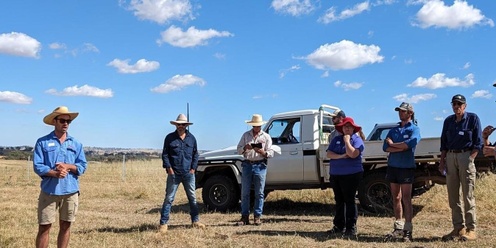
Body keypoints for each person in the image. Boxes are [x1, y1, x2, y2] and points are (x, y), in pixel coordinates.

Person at [33, 106, 87, 248]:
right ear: (54, 121)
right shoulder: (42, 142)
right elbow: (38, 166)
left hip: (70, 192)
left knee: (66, 226)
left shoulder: (76, 143)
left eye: (68, 121)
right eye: (62, 120)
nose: (66, 124)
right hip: (49, 192)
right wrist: (54, 173)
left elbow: (82, 166)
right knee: (44, 227)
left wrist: (68, 166)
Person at [439, 94, 482, 241]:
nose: (457, 106)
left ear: (465, 106)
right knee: (453, 196)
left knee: (467, 195)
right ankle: (458, 227)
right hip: (451, 157)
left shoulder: (472, 118)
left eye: (459, 104)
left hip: (466, 156)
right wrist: (442, 161)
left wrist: (471, 159)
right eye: (454, 104)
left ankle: (471, 229)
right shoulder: (448, 121)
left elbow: (478, 142)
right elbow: (443, 143)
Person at [159, 114, 205, 233]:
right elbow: (165, 154)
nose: (181, 126)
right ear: (176, 125)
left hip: (188, 174)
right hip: (174, 173)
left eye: (183, 124)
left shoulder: (192, 138)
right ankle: (163, 223)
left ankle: (195, 221)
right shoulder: (169, 138)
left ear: (186, 125)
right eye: (179, 124)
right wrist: (169, 168)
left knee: (192, 198)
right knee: (169, 198)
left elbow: (195, 154)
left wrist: (193, 169)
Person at [383, 102, 421, 242]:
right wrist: (399, 147)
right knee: (396, 197)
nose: (400, 113)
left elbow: (409, 144)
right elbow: (385, 148)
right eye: (399, 111)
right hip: (393, 166)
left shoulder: (414, 129)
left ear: (410, 113)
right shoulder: (394, 130)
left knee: (406, 198)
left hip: (406, 167)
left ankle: (408, 229)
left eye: (403, 111)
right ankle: (398, 226)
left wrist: (393, 145)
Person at [326, 117, 364, 237]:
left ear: (353, 128)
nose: (347, 128)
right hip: (336, 174)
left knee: (349, 200)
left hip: (352, 174)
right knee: (339, 200)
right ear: (341, 128)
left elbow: (353, 154)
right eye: (345, 126)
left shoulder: (357, 140)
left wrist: (347, 141)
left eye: (349, 126)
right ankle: (338, 226)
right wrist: (342, 156)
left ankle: (351, 227)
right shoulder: (336, 139)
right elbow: (329, 153)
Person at [236, 114, 274, 226]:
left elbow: (271, 152)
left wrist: (262, 152)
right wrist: (245, 148)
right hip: (248, 164)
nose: (256, 127)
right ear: (252, 125)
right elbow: (238, 150)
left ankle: (257, 216)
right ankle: (245, 217)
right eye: (255, 125)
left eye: (258, 125)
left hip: (260, 164)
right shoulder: (245, 135)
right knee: (245, 192)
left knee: (259, 193)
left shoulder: (266, 137)